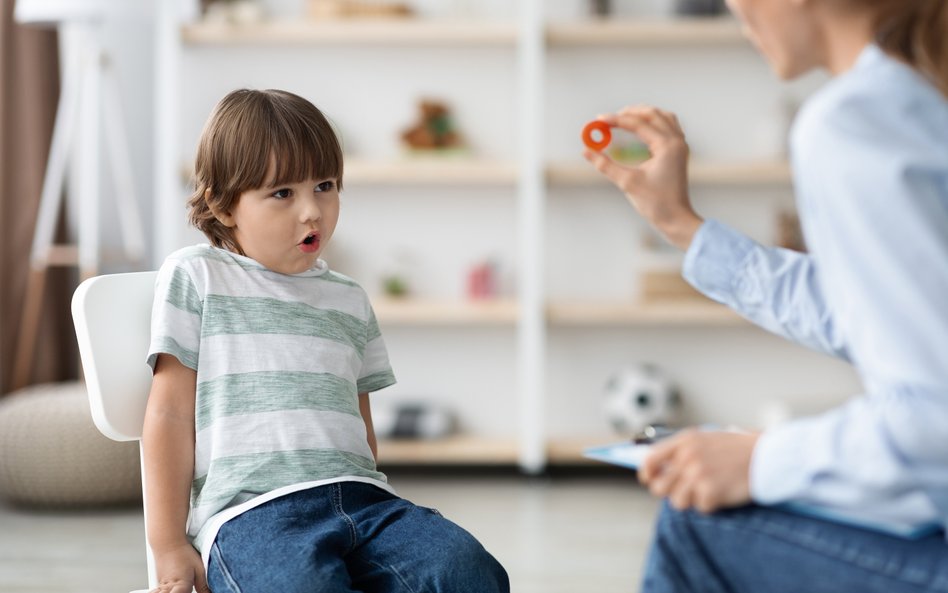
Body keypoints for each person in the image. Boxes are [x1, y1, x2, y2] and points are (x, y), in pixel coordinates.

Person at [583, 0, 948, 591]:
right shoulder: (914, 97)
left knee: (696, 526)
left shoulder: (851, 122)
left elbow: (935, 418)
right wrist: (681, 223)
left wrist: (760, 461)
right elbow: (864, 312)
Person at [142, 89, 510, 593]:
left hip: (366, 502)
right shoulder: (197, 275)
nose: (312, 211)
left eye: (325, 186)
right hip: (253, 513)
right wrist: (168, 546)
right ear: (223, 206)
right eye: (282, 194)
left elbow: (359, 422)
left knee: (466, 569)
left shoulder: (350, 298)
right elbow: (168, 416)